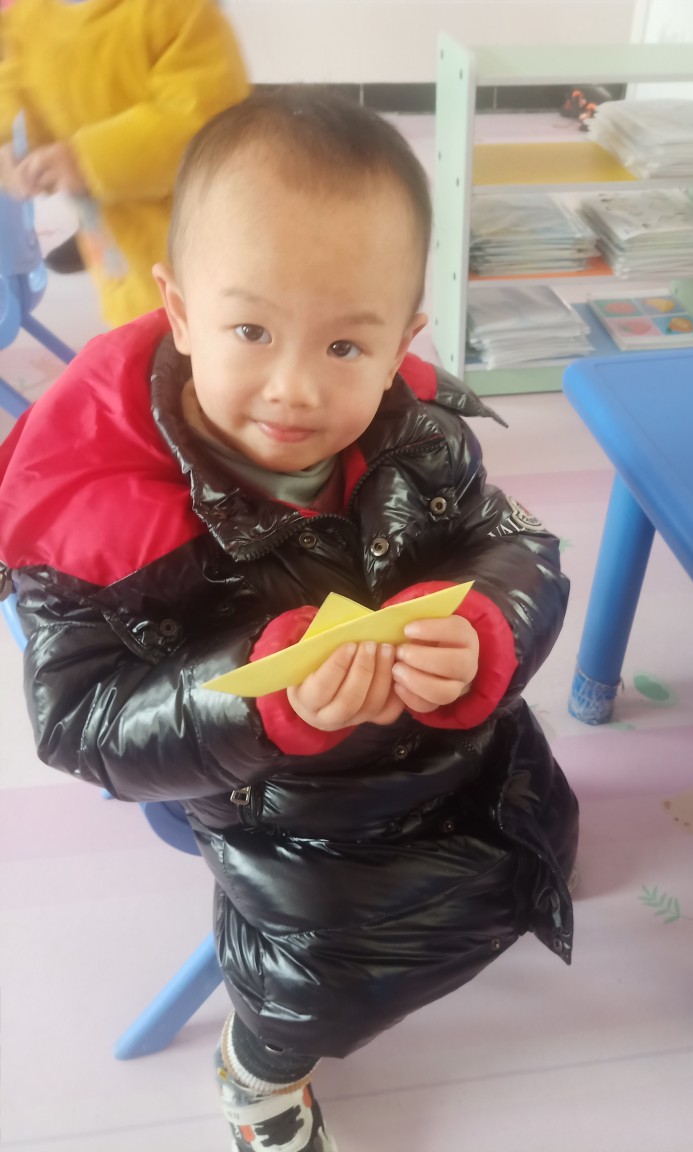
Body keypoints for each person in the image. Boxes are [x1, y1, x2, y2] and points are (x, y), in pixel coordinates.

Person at [0, 88, 579, 1152]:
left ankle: (524, 871)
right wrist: (262, 704)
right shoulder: (95, 516)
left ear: (402, 342)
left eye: (346, 346)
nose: (294, 388)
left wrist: (486, 629)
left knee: (537, 815)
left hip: (455, 737)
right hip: (261, 792)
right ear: (180, 312)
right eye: (251, 330)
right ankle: (259, 1068)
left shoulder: (417, 429)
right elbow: (81, 721)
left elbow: (514, 543)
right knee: (327, 968)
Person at [0, 0, 248, 327]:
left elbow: (202, 120)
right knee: (132, 323)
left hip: (197, 242)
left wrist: (85, 159)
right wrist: (9, 145)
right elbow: (13, 90)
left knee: (206, 328)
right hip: (115, 247)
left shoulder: (179, 12)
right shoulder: (29, 20)